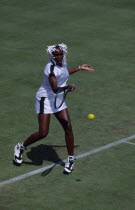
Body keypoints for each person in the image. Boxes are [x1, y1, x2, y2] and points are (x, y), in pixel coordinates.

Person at [14, 43, 94, 174]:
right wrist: (67, 87)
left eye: (61, 54)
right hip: (45, 100)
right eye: (56, 55)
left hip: (58, 98)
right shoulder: (49, 68)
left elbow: (63, 74)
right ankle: (21, 147)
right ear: (52, 55)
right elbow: (55, 87)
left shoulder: (63, 62)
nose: (59, 57)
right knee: (43, 133)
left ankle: (71, 159)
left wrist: (79, 68)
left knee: (68, 127)